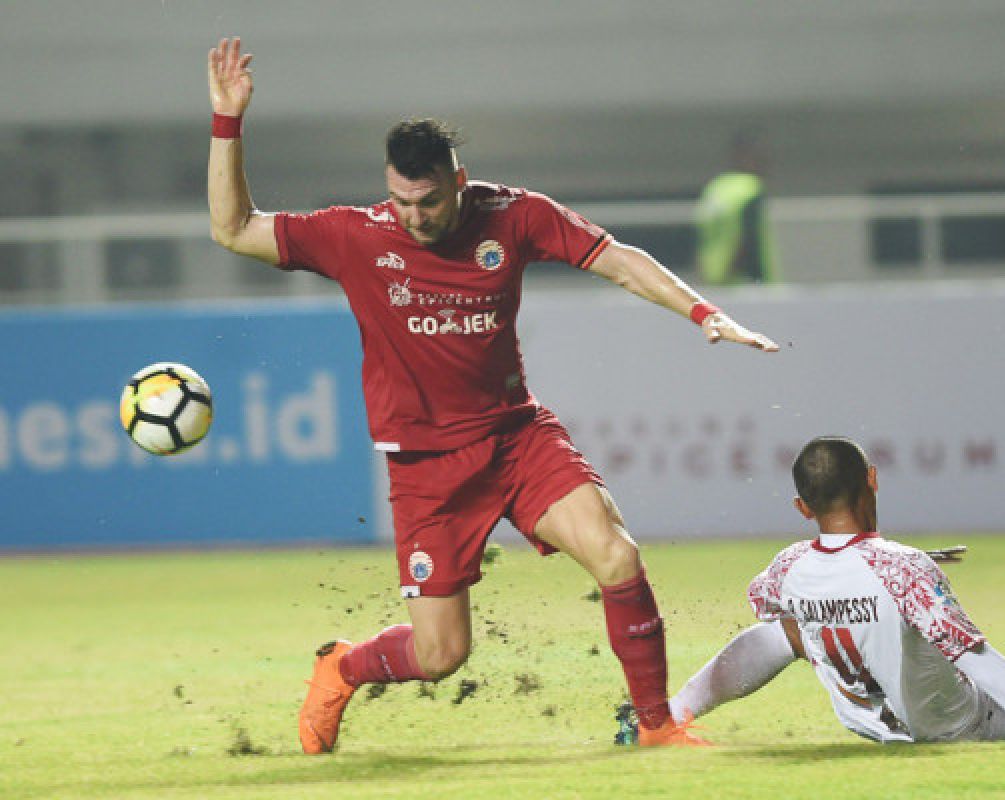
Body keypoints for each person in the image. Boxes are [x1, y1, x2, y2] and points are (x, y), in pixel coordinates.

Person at [206, 37, 778, 754]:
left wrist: (705, 313)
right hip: (426, 469)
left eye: (430, 199)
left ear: (459, 181)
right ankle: (342, 667)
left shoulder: (512, 215)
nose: (415, 215)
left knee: (617, 557)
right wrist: (227, 122)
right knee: (442, 655)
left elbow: (619, 262)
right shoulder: (356, 236)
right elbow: (231, 229)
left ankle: (656, 726)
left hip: (517, 438)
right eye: (402, 200)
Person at [661, 436, 1005, 745]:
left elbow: (812, 597)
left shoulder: (788, 567)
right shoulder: (903, 570)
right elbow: (979, 662)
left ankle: (675, 711)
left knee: (790, 628)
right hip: (956, 725)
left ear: (802, 507)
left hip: (866, 723)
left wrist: (906, 570)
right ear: (872, 480)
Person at [695, 130, 778, 285]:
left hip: (713, 278)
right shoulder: (751, 188)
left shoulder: (715, 188)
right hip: (743, 280)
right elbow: (749, 237)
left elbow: (702, 238)